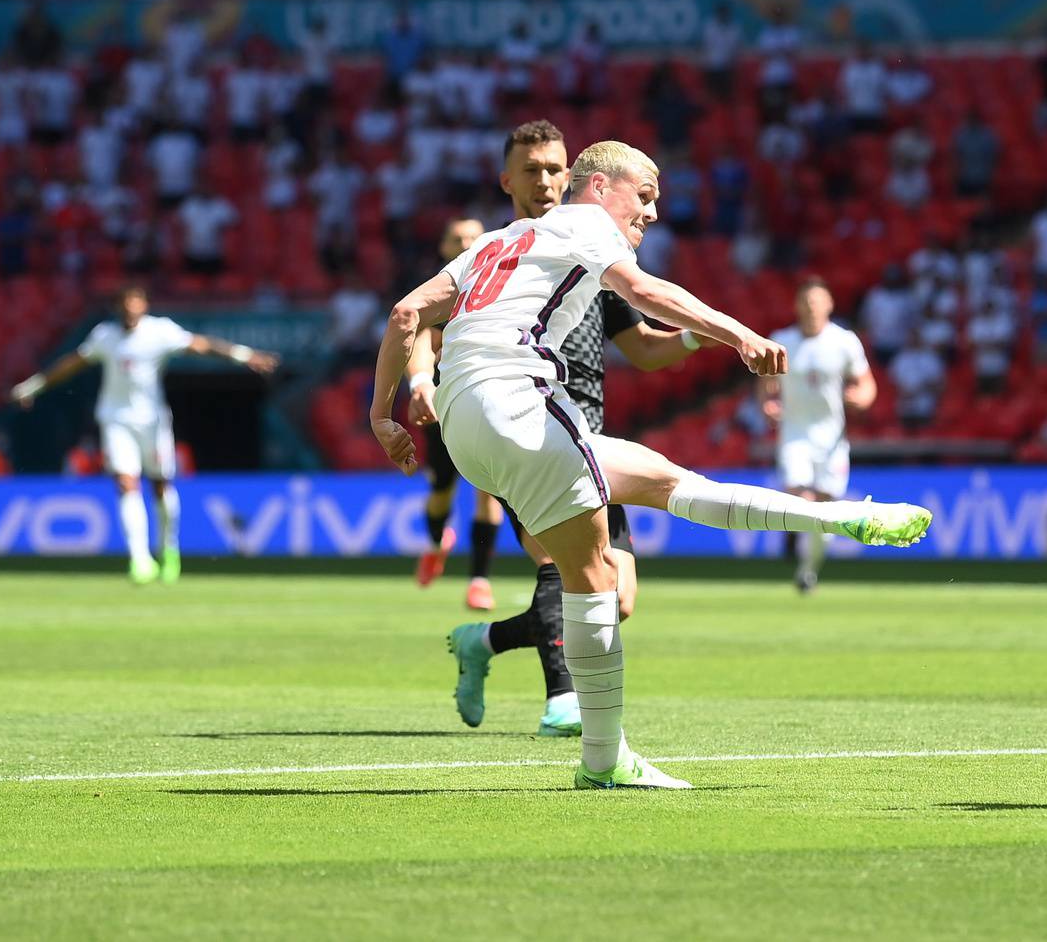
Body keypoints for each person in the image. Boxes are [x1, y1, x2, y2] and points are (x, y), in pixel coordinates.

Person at [370, 140, 931, 790]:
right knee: (593, 581)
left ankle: (836, 519)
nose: (654, 213)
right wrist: (738, 333)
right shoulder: (584, 223)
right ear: (602, 186)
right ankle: (604, 761)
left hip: (468, 421)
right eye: (645, 196)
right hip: (516, 402)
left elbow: (407, 312)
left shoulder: (499, 240)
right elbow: (643, 289)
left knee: (665, 484)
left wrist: (383, 417)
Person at [414, 122, 710, 736]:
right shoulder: (500, 252)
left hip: (588, 433)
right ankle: (566, 701)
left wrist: (691, 334)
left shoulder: (598, 246)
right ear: (508, 180)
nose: (545, 180)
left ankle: (484, 642)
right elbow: (416, 318)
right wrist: (420, 380)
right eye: (532, 169)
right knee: (560, 563)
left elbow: (646, 350)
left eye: (554, 168)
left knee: (616, 596)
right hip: (521, 426)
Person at [10, 285, 279, 583]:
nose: (131, 309)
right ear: (118, 308)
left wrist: (244, 356)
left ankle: (169, 549)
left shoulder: (159, 332)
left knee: (161, 486)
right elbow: (73, 363)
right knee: (126, 483)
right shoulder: (105, 337)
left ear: (145, 305)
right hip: (116, 420)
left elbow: (202, 345)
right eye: (126, 304)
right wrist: (34, 386)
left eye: (136, 302)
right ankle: (139, 558)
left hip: (153, 422)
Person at [407, 216, 508, 609]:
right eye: (457, 238)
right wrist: (421, 382)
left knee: (488, 492)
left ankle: (479, 581)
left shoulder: (498, 289)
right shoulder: (439, 294)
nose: (466, 243)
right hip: (443, 407)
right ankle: (437, 543)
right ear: (444, 249)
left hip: (488, 402)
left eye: (473, 237)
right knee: (442, 491)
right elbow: (419, 342)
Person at [761, 276, 877, 593]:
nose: (811, 307)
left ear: (829, 305)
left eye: (817, 301)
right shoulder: (782, 340)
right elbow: (766, 384)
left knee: (825, 512)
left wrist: (862, 399)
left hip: (832, 439)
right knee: (802, 496)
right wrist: (768, 404)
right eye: (806, 301)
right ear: (797, 306)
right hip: (795, 434)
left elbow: (866, 383)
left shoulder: (844, 341)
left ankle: (807, 570)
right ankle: (793, 528)